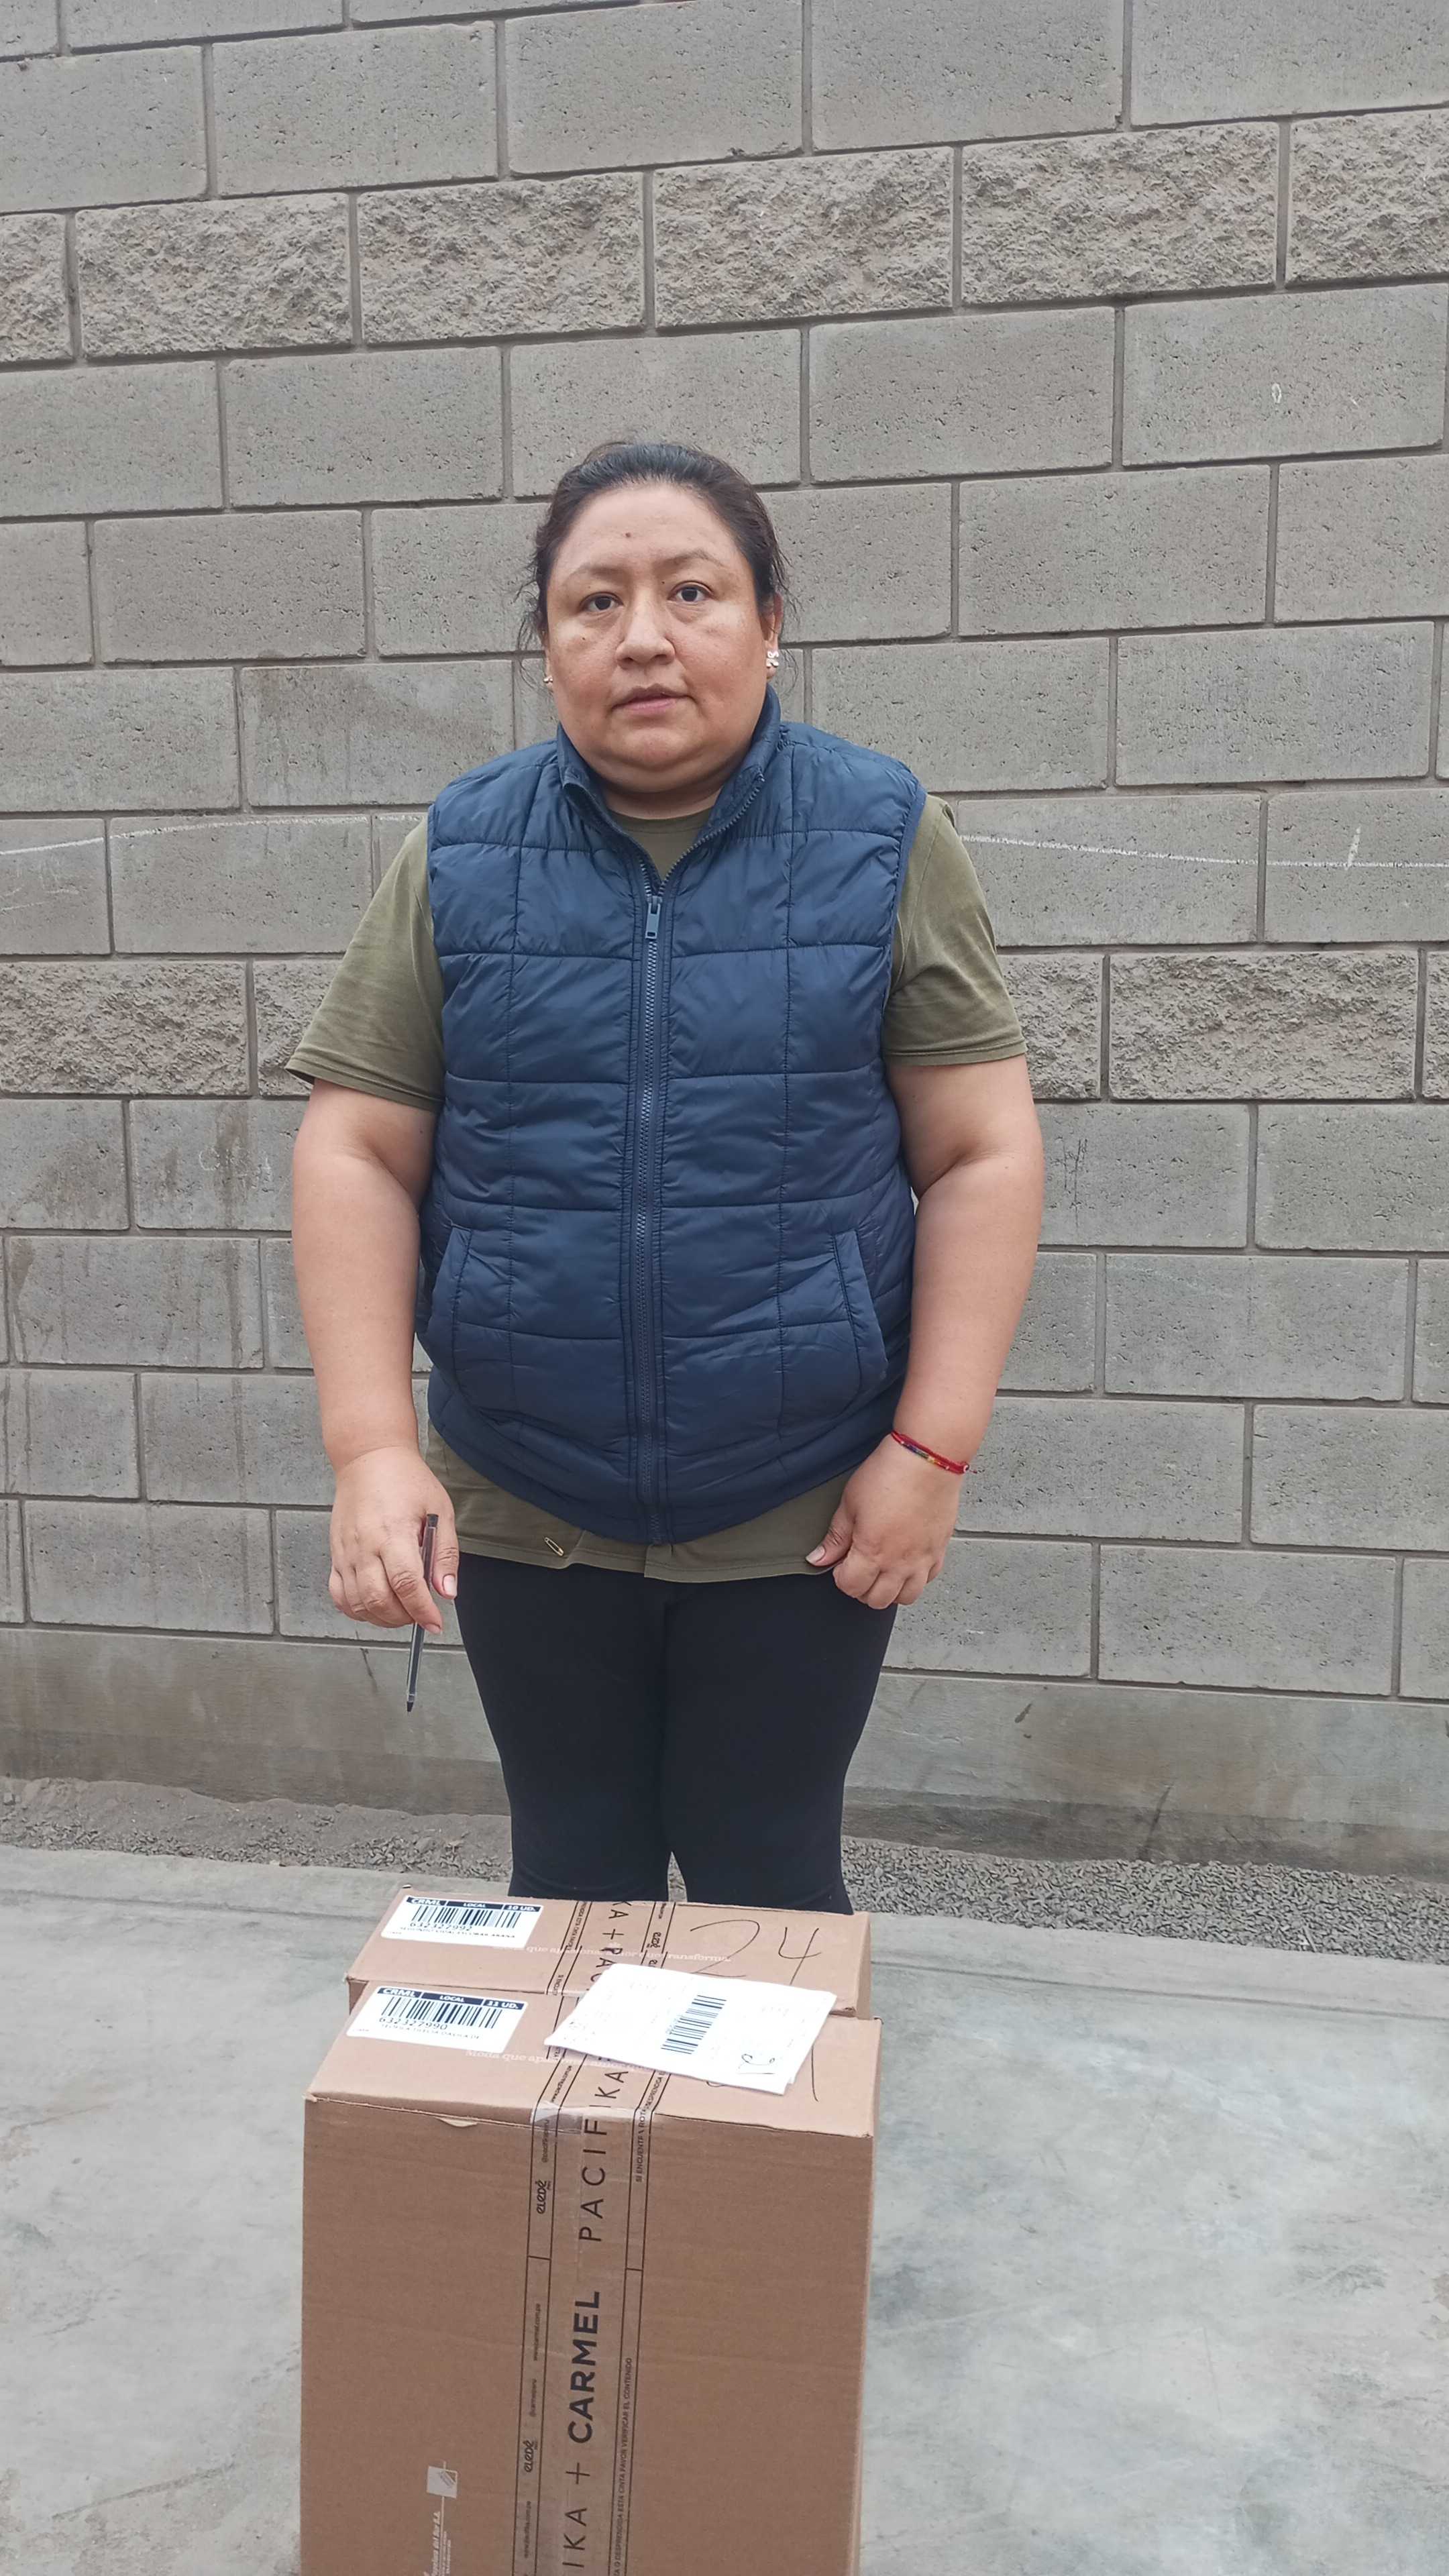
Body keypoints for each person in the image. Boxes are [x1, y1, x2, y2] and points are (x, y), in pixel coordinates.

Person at [288, 438, 1043, 1916]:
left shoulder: (883, 836)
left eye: (692, 592)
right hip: (525, 1490)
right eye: (596, 601)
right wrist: (373, 1448)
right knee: (574, 1876)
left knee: (767, 1871)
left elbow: (981, 1152)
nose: (643, 636)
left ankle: (765, 2084)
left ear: (768, 625)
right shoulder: (460, 852)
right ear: (548, 644)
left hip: (801, 1497)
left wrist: (932, 1453)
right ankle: (595, 2086)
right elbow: (358, 1147)